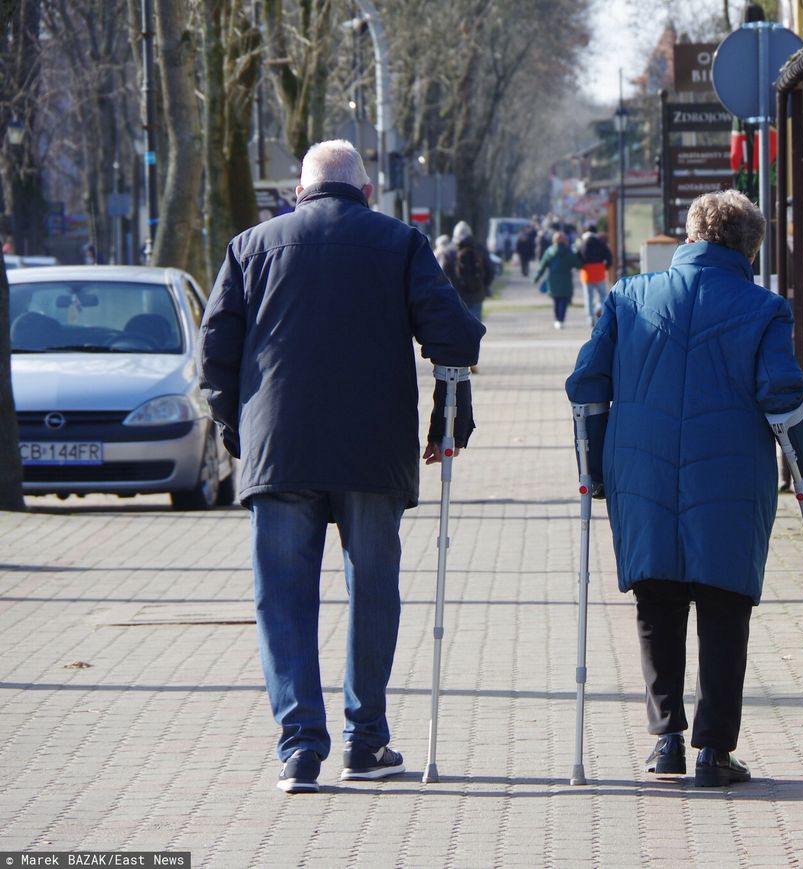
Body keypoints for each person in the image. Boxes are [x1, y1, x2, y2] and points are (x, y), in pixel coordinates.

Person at [198, 139, 485, 795]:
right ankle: (366, 738)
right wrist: (451, 418)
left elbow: (216, 347)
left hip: (279, 450)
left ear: (299, 192)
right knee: (373, 590)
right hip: (371, 451)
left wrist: (232, 425)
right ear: (365, 189)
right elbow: (456, 335)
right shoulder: (399, 243)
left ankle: (299, 747)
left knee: (283, 599)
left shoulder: (250, 247)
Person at [564, 189, 803, 787]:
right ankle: (714, 751)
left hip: (642, 474)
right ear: (748, 248)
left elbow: (586, 383)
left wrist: (597, 468)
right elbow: (781, 397)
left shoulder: (628, 297)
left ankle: (666, 744)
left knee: (657, 602)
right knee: (724, 605)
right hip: (731, 477)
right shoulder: (764, 309)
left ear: (689, 237)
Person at [533, 231, 582, 330]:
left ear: (554, 240)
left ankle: (557, 320)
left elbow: (542, 265)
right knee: (563, 300)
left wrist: (536, 277)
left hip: (553, 279)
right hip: (565, 279)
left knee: (556, 300)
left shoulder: (549, 251)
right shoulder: (568, 251)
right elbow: (577, 264)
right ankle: (561, 320)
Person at [450, 220, 495, 322]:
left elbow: (442, 274)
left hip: (456, 297)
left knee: (458, 331)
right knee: (475, 329)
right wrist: (484, 286)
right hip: (477, 294)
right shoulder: (480, 249)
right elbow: (491, 270)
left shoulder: (451, 251)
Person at [575, 225, 613, 326]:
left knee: (588, 297)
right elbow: (609, 257)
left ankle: (590, 317)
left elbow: (577, 258)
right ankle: (600, 312)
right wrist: (605, 267)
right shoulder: (601, 243)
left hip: (586, 272)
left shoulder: (582, 243)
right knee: (602, 295)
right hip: (599, 271)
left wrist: (580, 266)